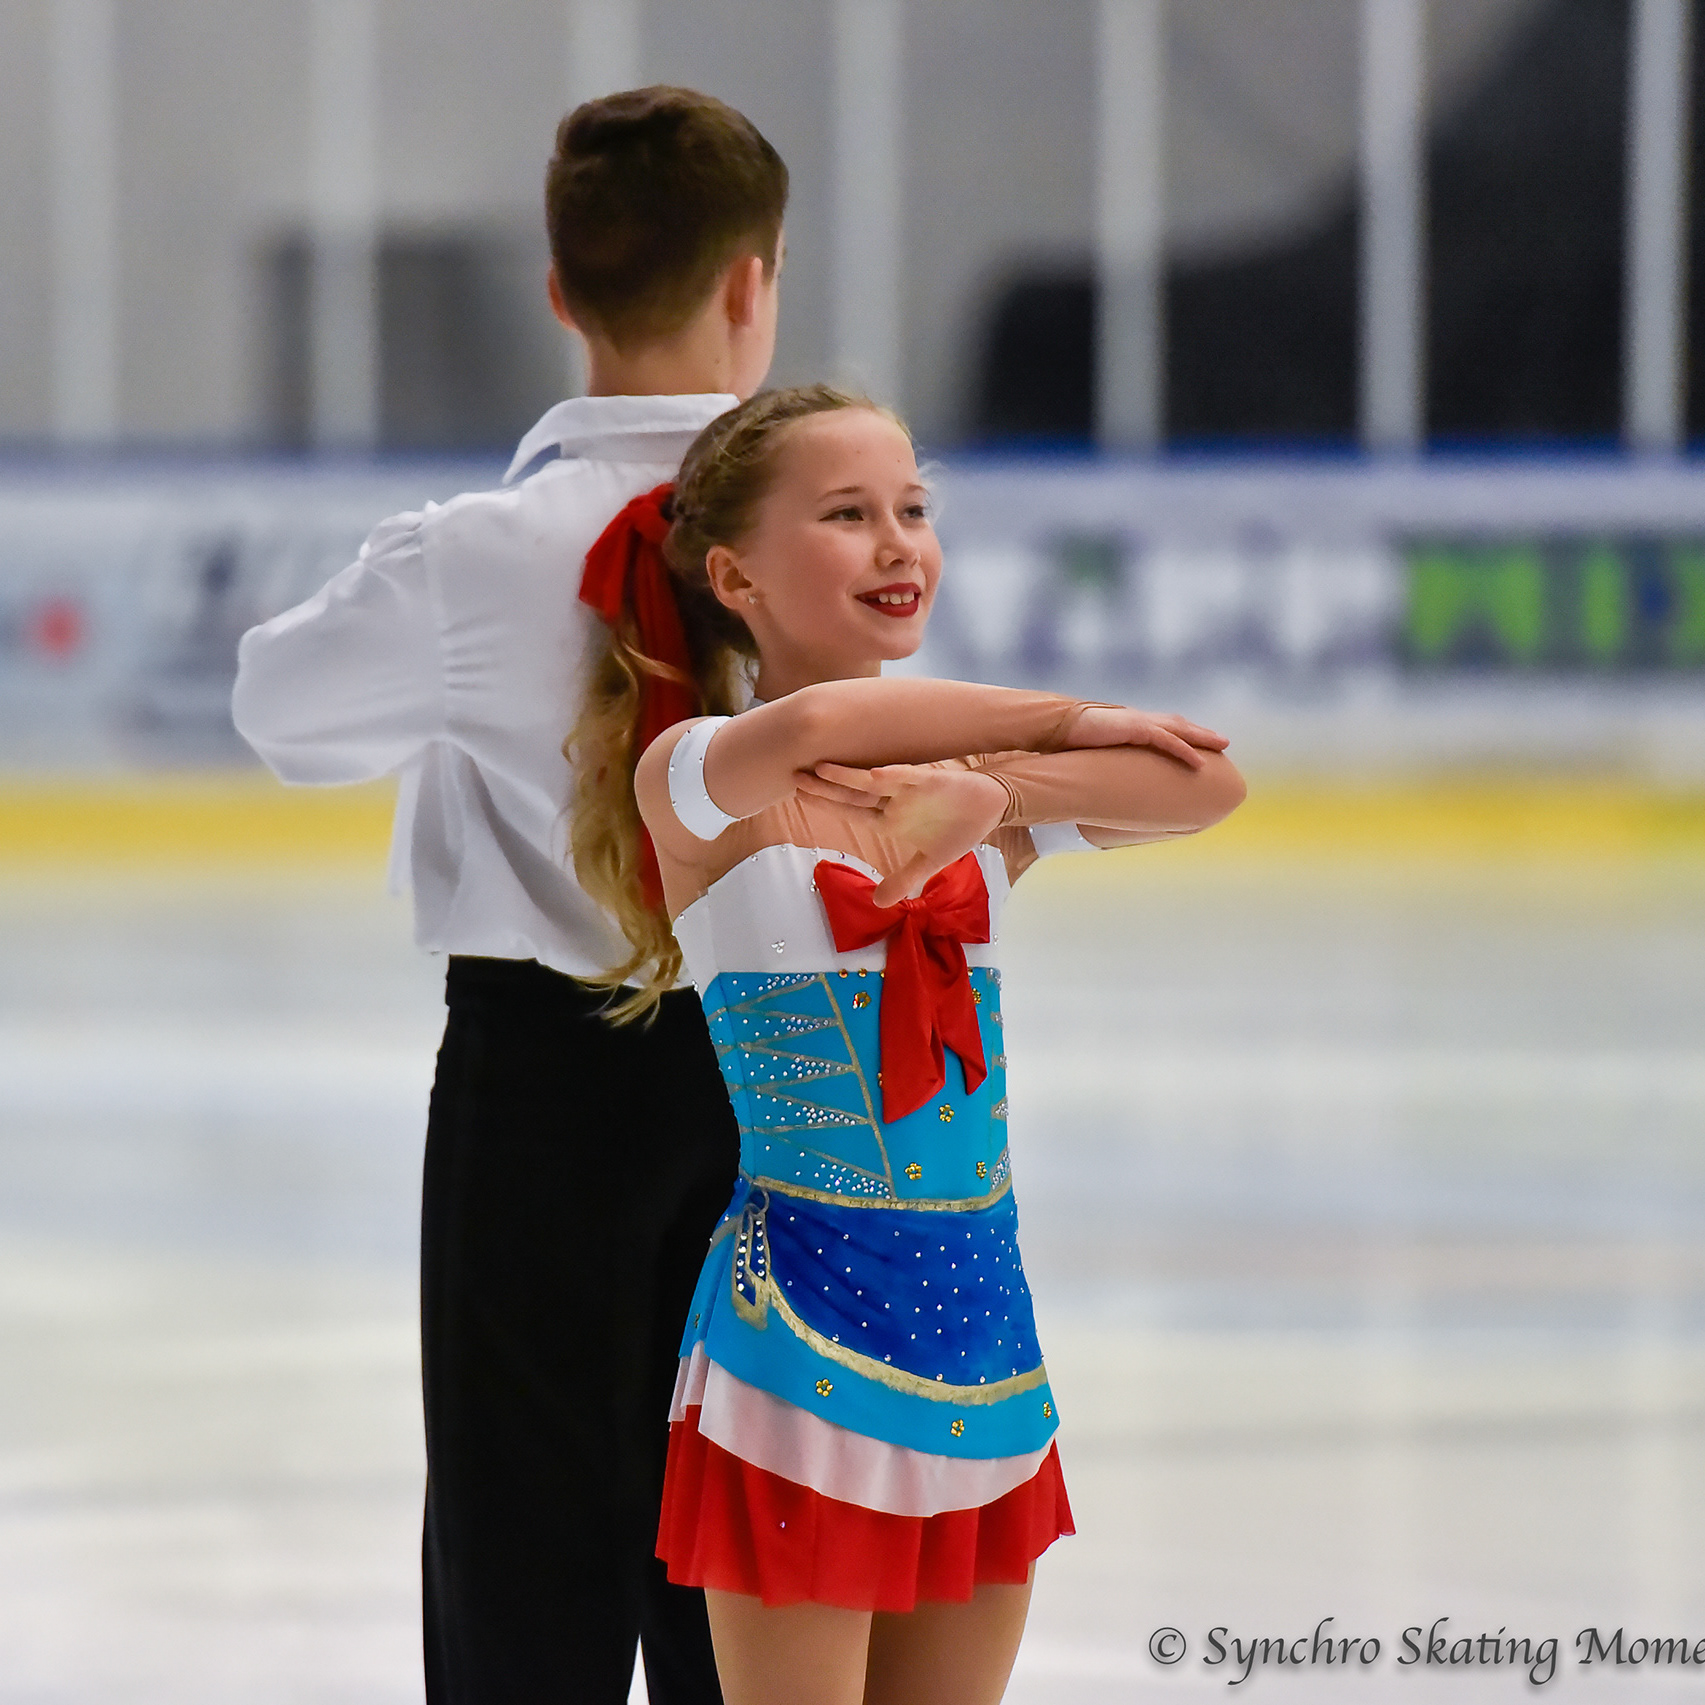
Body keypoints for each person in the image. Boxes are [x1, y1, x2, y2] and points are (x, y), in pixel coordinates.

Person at [231, 87, 789, 1705]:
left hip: (539, 1087)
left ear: (559, 291)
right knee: (741, 1558)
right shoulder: (828, 524)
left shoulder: (470, 556)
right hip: (782, 1078)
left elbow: (281, 712)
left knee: (517, 1552)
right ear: (749, 282)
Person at [567, 383, 1246, 1705]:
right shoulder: (701, 776)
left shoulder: (966, 798)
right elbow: (817, 728)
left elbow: (1208, 783)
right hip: (802, 1332)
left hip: (984, 1326)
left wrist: (994, 790)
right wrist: (1064, 722)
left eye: (914, 510)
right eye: (846, 514)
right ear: (734, 578)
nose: (898, 544)